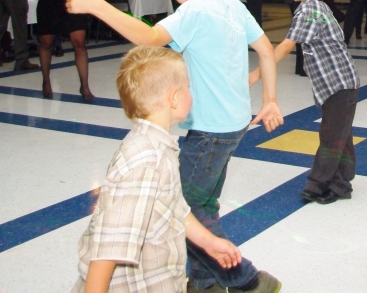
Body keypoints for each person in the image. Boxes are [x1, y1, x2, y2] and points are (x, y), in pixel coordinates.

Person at [66, 0, 283, 293]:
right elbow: (265, 48)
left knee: (184, 210)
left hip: (210, 132)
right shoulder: (230, 3)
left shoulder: (194, 11)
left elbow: (149, 37)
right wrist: (270, 99)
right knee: (204, 203)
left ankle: (248, 280)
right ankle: (205, 282)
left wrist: (96, 5)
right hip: (233, 125)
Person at [72, 46, 242, 293]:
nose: (191, 93)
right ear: (174, 98)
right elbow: (107, 249)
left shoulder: (160, 145)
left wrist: (208, 242)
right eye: (188, 87)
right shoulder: (145, 160)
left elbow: (175, 206)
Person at [251, 0, 359, 204]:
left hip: (339, 85)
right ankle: (341, 184)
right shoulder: (317, 7)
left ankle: (317, 183)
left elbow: (286, 45)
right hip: (339, 84)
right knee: (341, 135)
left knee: (331, 136)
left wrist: (257, 74)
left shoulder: (309, 10)